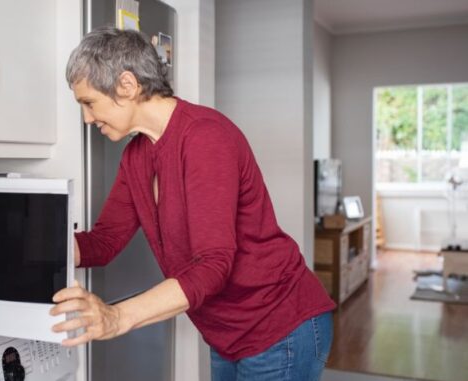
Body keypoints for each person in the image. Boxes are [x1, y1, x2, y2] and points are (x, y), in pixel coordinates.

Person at [49, 26, 336, 381]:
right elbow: (104, 242)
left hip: (280, 327)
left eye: (88, 102)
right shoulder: (136, 156)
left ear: (127, 85)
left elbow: (212, 266)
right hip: (225, 333)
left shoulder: (205, 138)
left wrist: (118, 317)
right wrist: (31, 245)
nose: (87, 118)